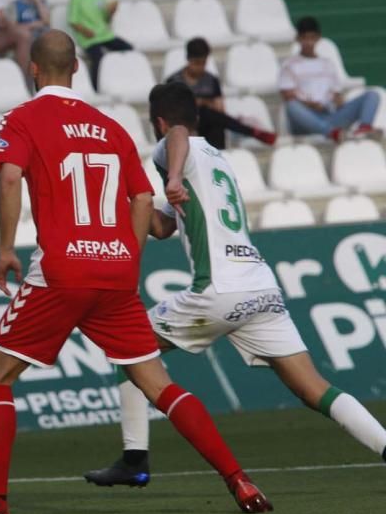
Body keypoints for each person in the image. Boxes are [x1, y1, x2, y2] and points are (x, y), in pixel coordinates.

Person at [0, 31, 271, 514]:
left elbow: (8, 177)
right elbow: (142, 202)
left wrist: (4, 248)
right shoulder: (110, 126)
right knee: (158, 384)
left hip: (62, 269)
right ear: (76, 71)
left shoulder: (23, 118)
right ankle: (239, 480)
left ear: (33, 69)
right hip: (114, 274)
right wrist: (126, 258)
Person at [84, 82, 386, 487]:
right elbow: (165, 224)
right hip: (260, 287)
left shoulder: (172, 145)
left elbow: (175, 137)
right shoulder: (218, 159)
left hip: (220, 288)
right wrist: (130, 201)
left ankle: (135, 459)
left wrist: (170, 176)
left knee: (127, 346)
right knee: (314, 388)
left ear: (157, 121)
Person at [279, 16, 380, 142]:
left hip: (329, 114)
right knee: (291, 106)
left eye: (312, 38)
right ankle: (331, 132)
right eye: (305, 38)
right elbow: (288, 96)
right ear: (298, 39)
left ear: (318, 38)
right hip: (306, 119)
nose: (309, 43)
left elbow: (336, 93)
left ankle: (364, 129)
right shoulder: (289, 65)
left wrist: (337, 101)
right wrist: (310, 105)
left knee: (372, 95)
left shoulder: (327, 64)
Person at [167, 37, 276, 149]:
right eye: (197, 63)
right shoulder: (174, 82)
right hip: (184, 124)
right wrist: (202, 103)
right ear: (188, 60)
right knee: (206, 113)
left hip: (207, 123)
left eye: (203, 63)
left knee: (213, 120)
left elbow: (219, 108)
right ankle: (249, 131)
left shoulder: (211, 80)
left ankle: (219, 154)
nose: (200, 67)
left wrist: (200, 102)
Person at [68, 0, 131, 89]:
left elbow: (105, 20)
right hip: (89, 39)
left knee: (128, 49)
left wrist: (111, 12)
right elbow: (73, 21)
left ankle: (122, 80)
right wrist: (85, 31)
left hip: (104, 35)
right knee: (98, 57)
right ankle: (96, 86)